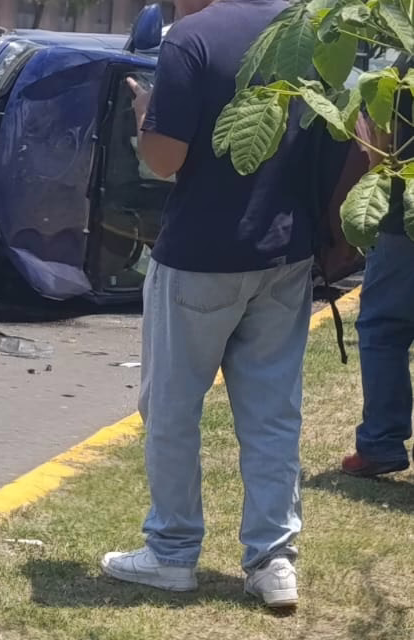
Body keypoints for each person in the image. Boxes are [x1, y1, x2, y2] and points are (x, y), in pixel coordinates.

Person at [98, 0, 335, 609]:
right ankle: (273, 560)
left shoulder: (191, 39)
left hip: (199, 255)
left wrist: (145, 114)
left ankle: (172, 553)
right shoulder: (308, 32)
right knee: (272, 413)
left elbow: (165, 160)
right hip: (286, 252)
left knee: (173, 408)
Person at [342, 57, 414, 479]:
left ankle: (381, 442)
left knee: (384, 329)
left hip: (401, 222)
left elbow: (380, 149)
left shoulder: (401, 67)